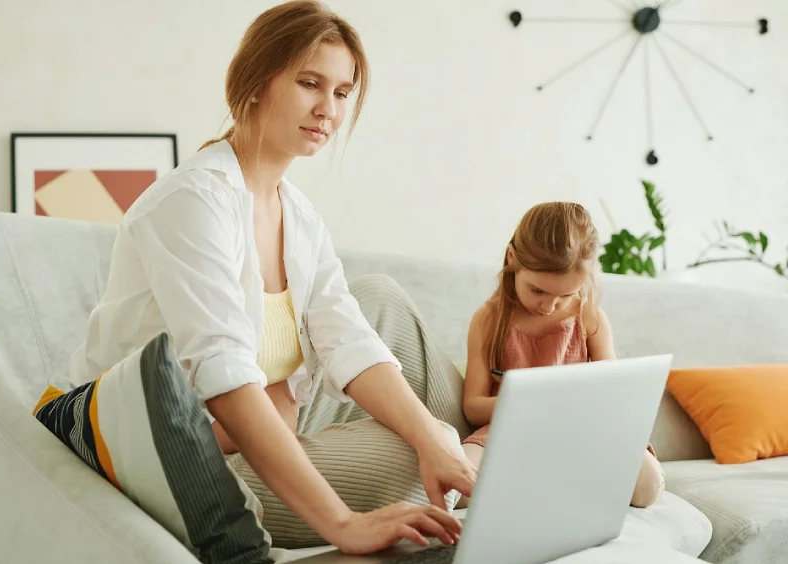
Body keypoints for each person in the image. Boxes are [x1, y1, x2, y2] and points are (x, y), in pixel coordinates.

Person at [68, 0, 475, 555]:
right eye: (310, 83)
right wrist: (344, 525)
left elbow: (348, 338)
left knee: (388, 322)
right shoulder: (194, 202)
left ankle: (472, 451)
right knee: (407, 457)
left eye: (341, 92)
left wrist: (436, 440)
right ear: (256, 80)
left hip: (266, 425)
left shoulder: (297, 214)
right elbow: (226, 379)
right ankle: (490, 455)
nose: (327, 109)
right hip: (192, 457)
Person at [457, 202, 666, 509]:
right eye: (538, 291)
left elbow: (613, 394)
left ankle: (550, 478)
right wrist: (533, 402)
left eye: (566, 294)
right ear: (512, 258)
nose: (549, 306)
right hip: (510, 430)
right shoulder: (488, 320)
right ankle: (552, 480)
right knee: (459, 490)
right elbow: (473, 407)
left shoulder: (590, 317)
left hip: (580, 430)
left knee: (647, 487)